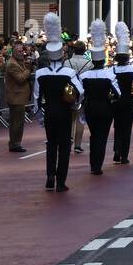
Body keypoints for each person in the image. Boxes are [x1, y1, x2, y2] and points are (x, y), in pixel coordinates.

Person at [34, 13, 84, 193]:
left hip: (49, 112)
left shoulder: (41, 74)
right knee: (64, 145)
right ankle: (61, 181)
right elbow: (81, 91)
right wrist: (75, 104)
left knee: (50, 144)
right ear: (61, 55)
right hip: (64, 112)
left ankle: (49, 176)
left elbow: (36, 98)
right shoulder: (69, 73)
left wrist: (40, 116)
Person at [80, 20, 120, 175]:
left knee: (94, 134)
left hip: (90, 108)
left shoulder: (84, 75)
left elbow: (80, 93)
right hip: (105, 108)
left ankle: (93, 163)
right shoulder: (109, 74)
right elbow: (118, 93)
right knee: (102, 136)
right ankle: (97, 165)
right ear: (102, 60)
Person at [110, 22, 133, 164]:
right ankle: (124, 155)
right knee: (126, 128)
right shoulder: (132, 69)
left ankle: (116, 150)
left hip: (115, 101)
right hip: (128, 100)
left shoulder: (111, 70)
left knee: (117, 126)